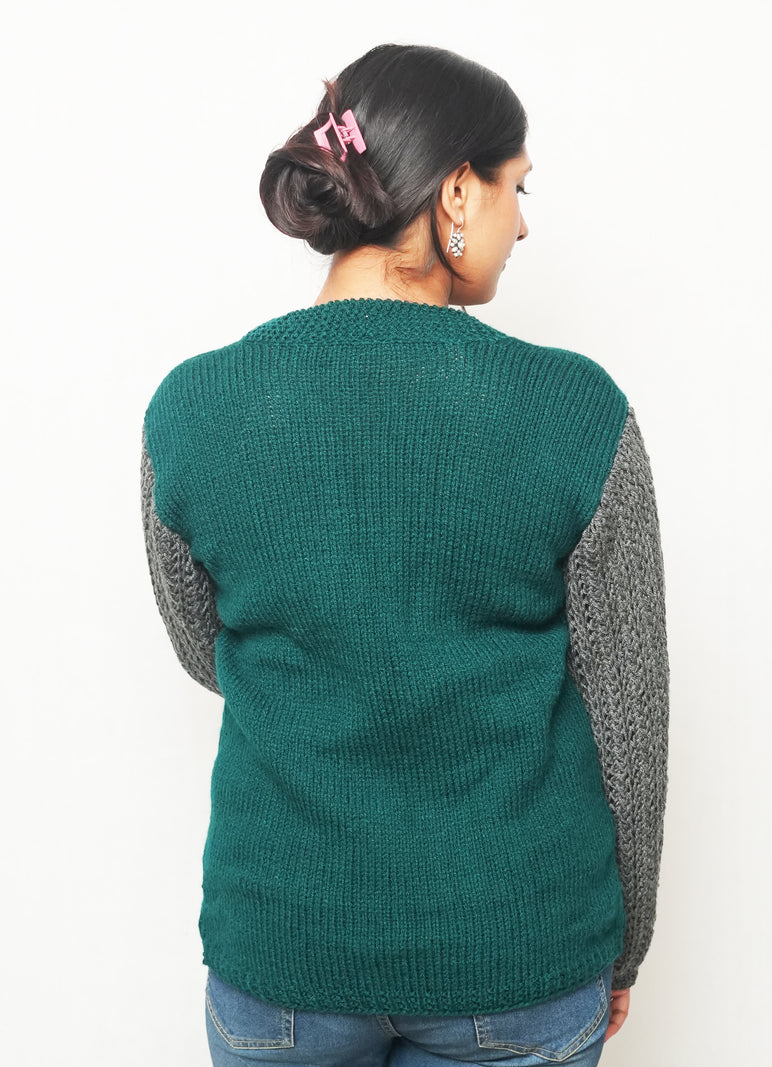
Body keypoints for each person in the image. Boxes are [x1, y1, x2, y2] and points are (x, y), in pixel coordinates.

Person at [140, 43, 669, 1067]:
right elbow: (627, 719)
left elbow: (208, 650)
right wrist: (624, 941)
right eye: (517, 188)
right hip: (517, 958)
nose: (523, 223)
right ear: (456, 191)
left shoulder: (190, 409)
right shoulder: (575, 410)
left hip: (282, 960)